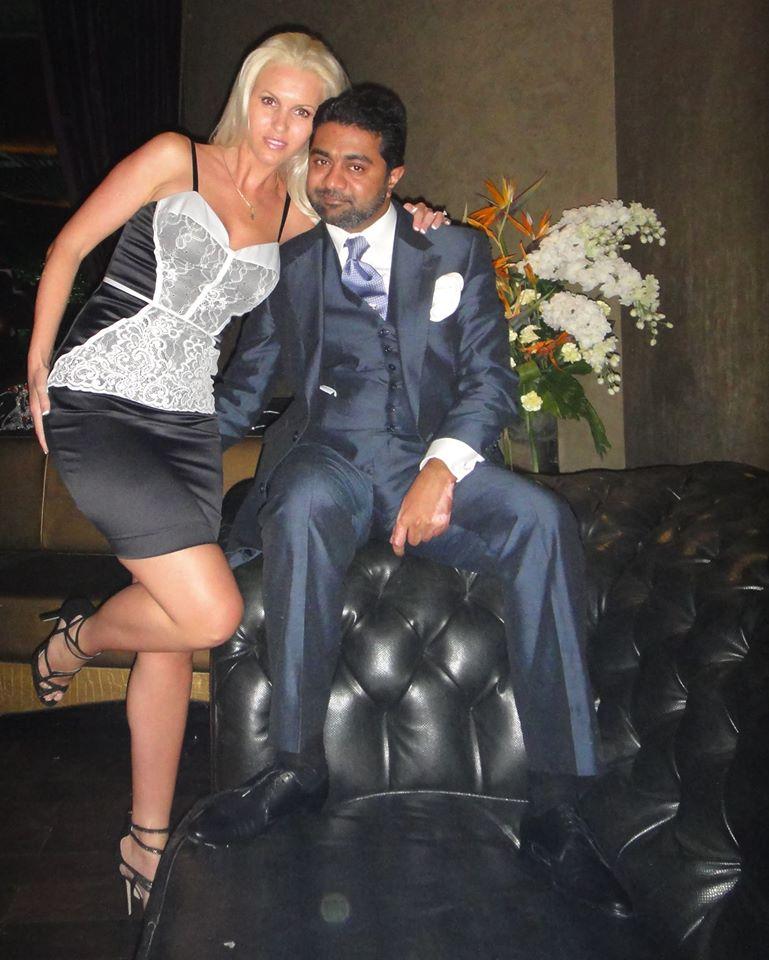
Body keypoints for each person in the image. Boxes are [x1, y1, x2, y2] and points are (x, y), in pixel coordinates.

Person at [188, 83, 632, 918]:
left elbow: (490, 380)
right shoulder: (289, 265)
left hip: (424, 457)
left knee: (541, 521)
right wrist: (171, 455)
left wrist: (441, 468)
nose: (330, 181)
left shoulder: (454, 249)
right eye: (321, 161)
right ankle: (295, 768)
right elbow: (243, 389)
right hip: (329, 456)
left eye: (355, 166)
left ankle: (556, 804)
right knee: (297, 509)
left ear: (395, 176)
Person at [27, 34, 443, 915]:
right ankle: (78, 639)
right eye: (270, 102)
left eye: (302, 112)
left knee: (175, 632)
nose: (281, 125)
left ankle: (146, 837)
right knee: (209, 611)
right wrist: (37, 367)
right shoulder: (172, 159)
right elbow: (67, 247)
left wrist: (418, 222)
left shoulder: (296, 217)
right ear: (245, 96)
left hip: (186, 429)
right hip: (100, 400)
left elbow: (372, 239)